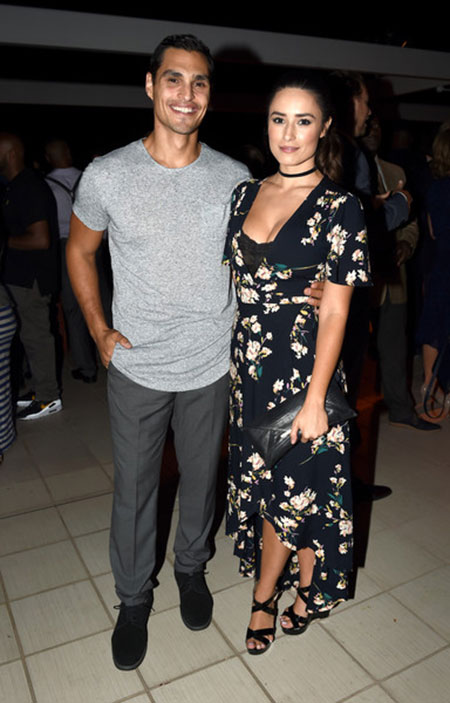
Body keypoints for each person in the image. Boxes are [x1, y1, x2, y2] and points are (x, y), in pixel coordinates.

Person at [67, 34, 325, 671]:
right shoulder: (108, 175)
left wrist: (314, 285)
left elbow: (265, 255)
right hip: (138, 365)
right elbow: (79, 251)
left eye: (200, 82)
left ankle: (190, 569)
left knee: (203, 480)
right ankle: (133, 598)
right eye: (174, 79)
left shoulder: (233, 179)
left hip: (213, 363)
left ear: (210, 94)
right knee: (135, 491)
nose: (187, 94)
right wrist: (98, 329)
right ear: (151, 86)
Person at [224, 71, 371, 654]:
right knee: (288, 484)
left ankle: (264, 596)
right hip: (250, 368)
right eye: (278, 119)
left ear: (325, 127)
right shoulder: (243, 194)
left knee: (292, 483)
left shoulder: (342, 206)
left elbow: (335, 310)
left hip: (305, 370)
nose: (288, 134)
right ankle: (308, 586)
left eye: (303, 120)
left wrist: (315, 400)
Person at [362, 117, 437, 431]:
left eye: (379, 125)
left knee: (395, 345)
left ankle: (401, 409)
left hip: (393, 276)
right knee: (352, 352)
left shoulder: (395, 171)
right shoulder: (342, 169)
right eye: (369, 124)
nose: (375, 130)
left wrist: (406, 244)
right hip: (357, 279)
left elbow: (411, 222)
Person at [0, 132, 61, 421]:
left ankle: (49, 397)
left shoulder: (29, 186)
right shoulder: (14, 186)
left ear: (11, 153)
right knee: (27, 336)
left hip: (32, 278)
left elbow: (40, 239)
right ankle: (39, 389)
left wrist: (3, 242)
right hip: (18, 275)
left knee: (36, 337)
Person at [45, 138, 110, 383]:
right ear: (69, 153)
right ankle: (116, 362)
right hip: (96, 243)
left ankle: (86, 367)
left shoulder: (46, 185)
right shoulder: (89, 177)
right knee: (104, 301)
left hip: (65, 246)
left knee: (73, 309)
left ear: (49, 158)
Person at [416, 125, 450, 414]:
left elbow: (433, 231)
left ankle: (429, 383)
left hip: (441, 262)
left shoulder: (436, 188)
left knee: (434, 323)